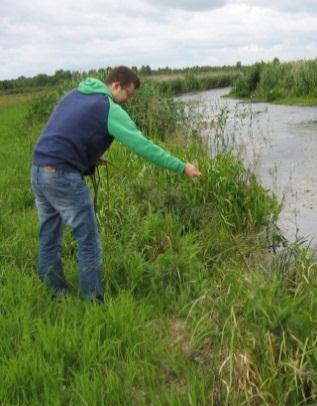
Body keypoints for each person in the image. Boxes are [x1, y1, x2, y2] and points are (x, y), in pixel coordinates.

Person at [31, 65, 202, 303]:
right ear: (116, 85)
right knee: (88, 241)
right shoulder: (107, 107)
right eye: (128, 95)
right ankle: (93, 302)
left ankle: (56, 296)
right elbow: (144, 146)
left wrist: (89, 157)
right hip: (62, 176)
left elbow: (64, 133)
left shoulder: (75, 95)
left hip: (39, 170)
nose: (128, 101)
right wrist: (182, 167)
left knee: (49, 238)